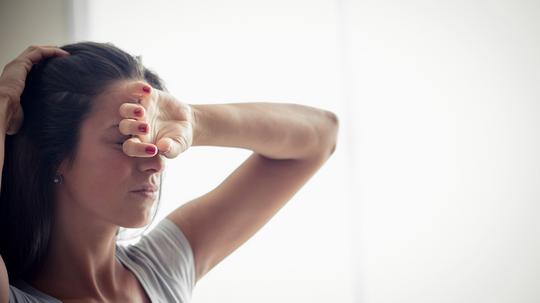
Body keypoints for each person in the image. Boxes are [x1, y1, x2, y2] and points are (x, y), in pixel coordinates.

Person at [0, 42, 339, 303]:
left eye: (151, 139)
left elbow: (321, 135)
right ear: (54, 154)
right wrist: (2, 103)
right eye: (125, 140)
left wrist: (194, 122)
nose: (156, 161)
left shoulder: (161, 267)